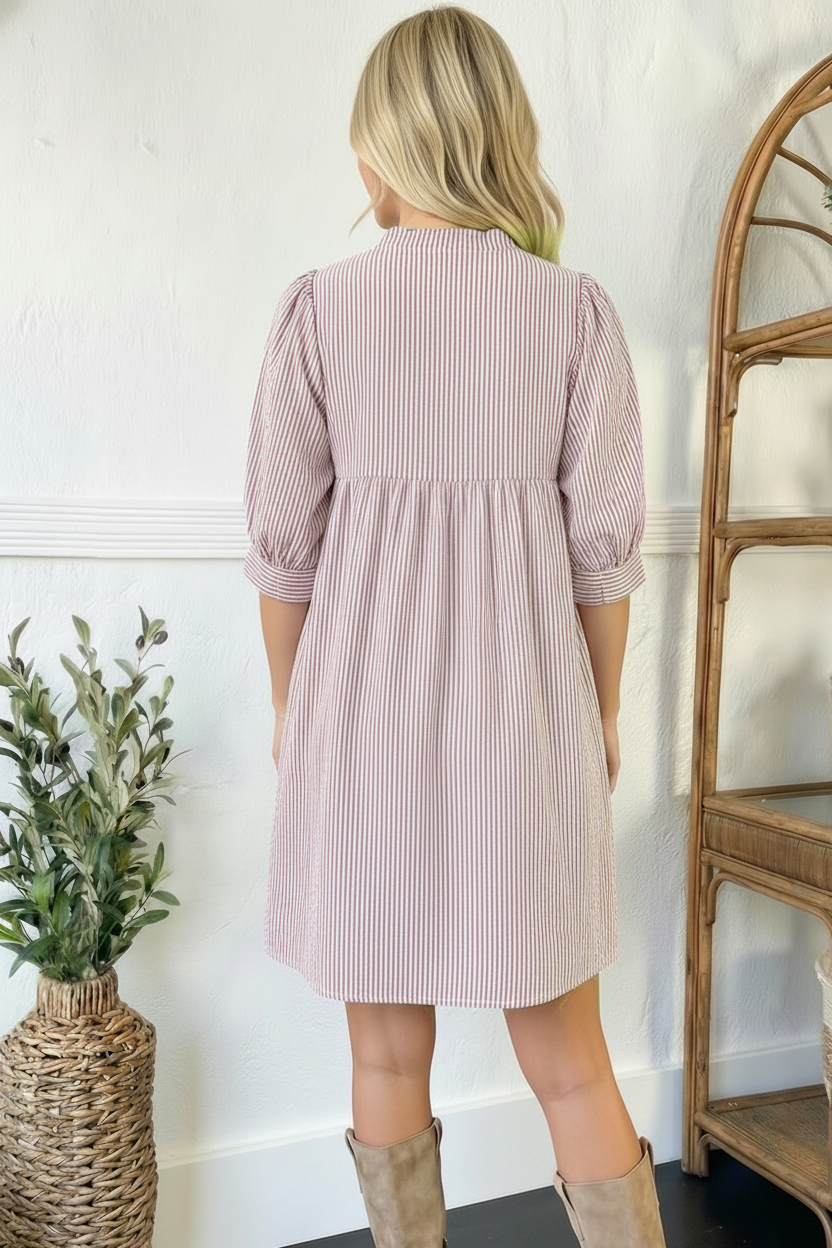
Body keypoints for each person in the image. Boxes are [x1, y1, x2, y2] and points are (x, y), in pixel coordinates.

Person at [243, 6, 666, 1246]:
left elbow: (283, 554)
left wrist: (291, 710)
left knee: (383, 1059)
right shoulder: (574, 313)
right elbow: (603, 561)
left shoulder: (319, 312)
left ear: (383, 153)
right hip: (524, 732)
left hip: (359, 729)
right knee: (574, 1065)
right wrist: (597, 715)